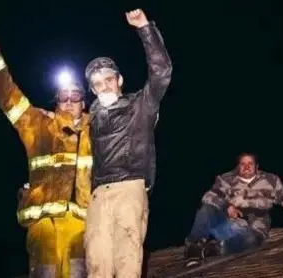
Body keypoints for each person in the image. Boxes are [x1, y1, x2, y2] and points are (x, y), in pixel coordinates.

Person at [0, 40, 92, 278]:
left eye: (75, 96)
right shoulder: (39, 125)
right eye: (63, 97)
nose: (69, 102)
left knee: (78, 272)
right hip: (43, 222)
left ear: (84, 102)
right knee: (46, 272)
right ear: (56, 101)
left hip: (82, 221)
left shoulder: (97, 129)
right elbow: (9, 99)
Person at [83, 8, 172, 278]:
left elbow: (161, 72)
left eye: (108, 79)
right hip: (98, 196)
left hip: (129, 188)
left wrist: (145, 28)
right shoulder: (91, 119)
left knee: (127, 265)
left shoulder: (140, 105)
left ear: (119, 80)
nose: (104, 85)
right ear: (93, 90)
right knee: (96, 265)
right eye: (97, 83)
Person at [184, 152, 283, 267]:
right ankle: (193, 248)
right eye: (242, 164)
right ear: (237, 167)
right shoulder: (226, 179)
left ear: (257, 166)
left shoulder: (271, 180)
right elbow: (208, 197)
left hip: (252, 228)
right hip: (227, 223)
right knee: (206, 209)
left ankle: (214, 249)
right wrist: (226, 206)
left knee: (252, 241)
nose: (246, 167)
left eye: (250, 163)